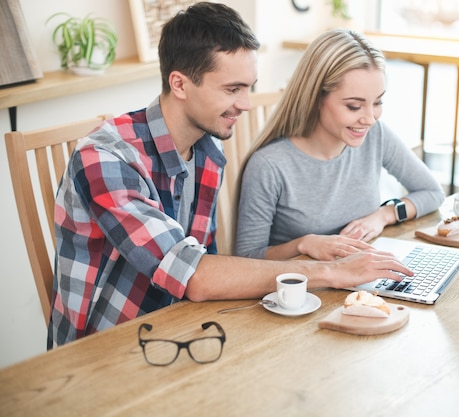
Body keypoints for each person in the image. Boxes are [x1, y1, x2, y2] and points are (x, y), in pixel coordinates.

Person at [49, 3, 412, 348]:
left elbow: (213, 267)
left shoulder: (208, 150)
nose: (247, 104)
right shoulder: (106, 158)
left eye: (248, 87)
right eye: (232, 89)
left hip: (185, 331)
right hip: (105, 350)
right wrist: (332, 272)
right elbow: (196, 276)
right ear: (179, 84)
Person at [235, 29, 445, 261]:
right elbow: (247, 257)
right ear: (315, 98)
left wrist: (382, 215)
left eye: (377, 102)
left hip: (359, 278)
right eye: (354, 106)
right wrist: (303, 245)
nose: (369, 118)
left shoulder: (376, 135)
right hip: (302, 291)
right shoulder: (269, 165)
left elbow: (432, 192)